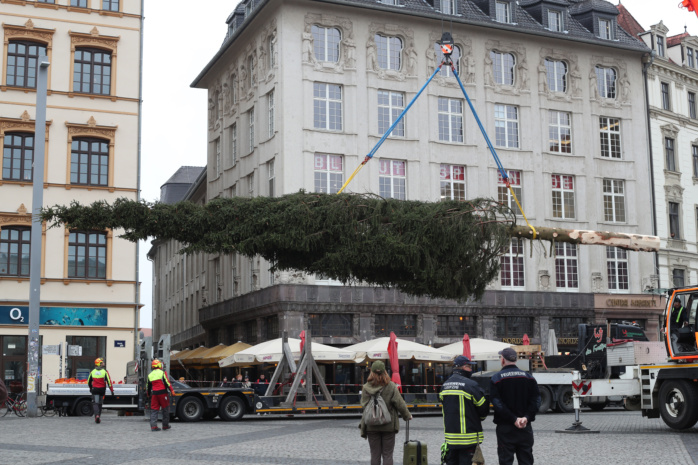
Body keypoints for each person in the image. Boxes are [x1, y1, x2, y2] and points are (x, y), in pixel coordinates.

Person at [489, 348, 539, 465]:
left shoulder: (496, 379)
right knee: (526, 460)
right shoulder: (529, 377)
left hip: (505, 428)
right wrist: (526, 417)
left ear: (502, 360)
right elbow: (536, 400)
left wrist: (513, 419)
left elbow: (497, 403)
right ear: (516, 360)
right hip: (525, 426)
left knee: (505, 460)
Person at [359, 361, 412, 465]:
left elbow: (364, 404)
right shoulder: (391, 386)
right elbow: (399, 403)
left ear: (371, 372)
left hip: (371, 425)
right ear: (385, 372)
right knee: (387, 454)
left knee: (374, 455)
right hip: (388, 425)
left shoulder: (366, 387)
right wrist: (407, 416)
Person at [440, 355, 489, 465]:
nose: (471, 370)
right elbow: (483, 410)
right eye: (469, 367)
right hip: (468, 438)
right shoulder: (471, 385)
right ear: (463, 367)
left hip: (450, 438)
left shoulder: (445, 385)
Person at [147, 359, 175, 432]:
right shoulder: (162, 373)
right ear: (159, 365)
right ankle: (165, 425)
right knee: (165, 409)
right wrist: (172, 390)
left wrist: (148, 394)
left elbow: (148, 386)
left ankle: (153, 426)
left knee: (154, 410)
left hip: (154, 394)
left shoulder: (150, 375)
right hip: (163, 394)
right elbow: (167, 382)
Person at [87, 357, 113, 424]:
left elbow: (88, 381)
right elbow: (109, 382)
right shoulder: (105, 372)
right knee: (100, 404)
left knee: (95, 403)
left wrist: (90, 388)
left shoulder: (92, 371)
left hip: (95, 389)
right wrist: (112, 391)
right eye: (102, 362)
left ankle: (97, 416)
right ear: (99, 364)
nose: (103, 363)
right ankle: (99, 417)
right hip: (102, 390)